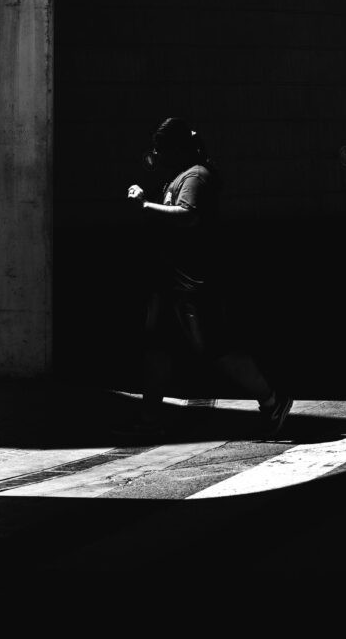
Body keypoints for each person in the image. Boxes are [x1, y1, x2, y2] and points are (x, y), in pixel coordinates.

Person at [122, 117, 292, 440]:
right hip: (171, 283)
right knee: (157, 347)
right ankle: (149, 418)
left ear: (174, 148)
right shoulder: (180, 177)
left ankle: (273, 400)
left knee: (216, 348)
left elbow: (189, 216)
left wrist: (145, 206)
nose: (156, 157)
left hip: (193, 285)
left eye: (160, 149)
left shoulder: (196, 176)